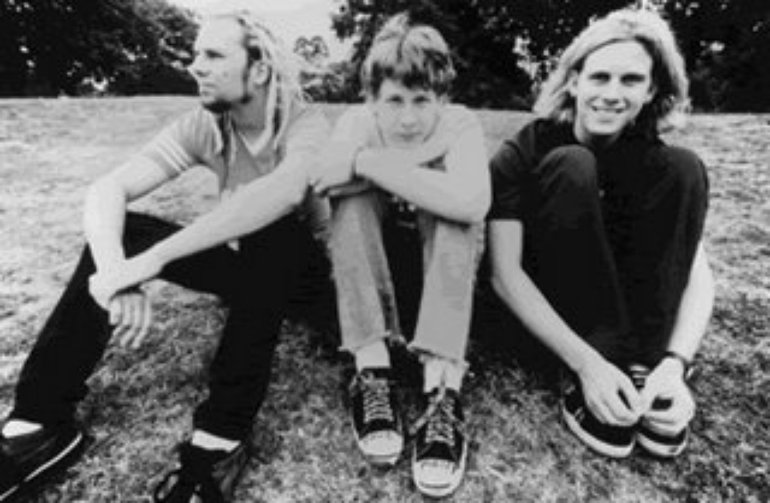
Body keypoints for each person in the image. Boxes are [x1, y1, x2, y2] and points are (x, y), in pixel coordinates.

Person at [0, 8, 329, 502]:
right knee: (125, 229)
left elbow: (283, 193)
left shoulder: (305, 124)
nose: (195, 65)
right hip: (254, 277)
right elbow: (108, 188)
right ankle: (38, 422)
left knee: (271, 229)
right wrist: (117, 272)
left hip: (320, 284)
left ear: (259, 69)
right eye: (196, 53)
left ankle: (217, 442)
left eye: (213, 55)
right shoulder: (207, 126)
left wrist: (152, 261)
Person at [485, 7, 714, 459]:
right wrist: (588, 364)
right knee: (574, 165)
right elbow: (503, 275)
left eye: (630, 80)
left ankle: (643, 370)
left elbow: (693, 270)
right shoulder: (525, 150)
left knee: (685, 167)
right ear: (575, 82)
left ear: (651, 90)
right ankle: (594, 369)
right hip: (546, 319)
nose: (611, 94)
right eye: (599, 77)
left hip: (632, 330)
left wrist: (675, 363)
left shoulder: (654, 157)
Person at [311, 12, 489, 498]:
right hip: (372, 273)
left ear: (442, 97)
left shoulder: (459, 123)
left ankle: (442, 389)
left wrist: (365, 164)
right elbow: (324, 180)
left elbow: (473, 202)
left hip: (442, 279)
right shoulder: (357, 122)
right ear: (372, 99)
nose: (408, 118)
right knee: (352, 203)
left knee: (454, 214)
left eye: (421, 100)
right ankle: (372, 369)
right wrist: (409, 165)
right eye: (394, 100)